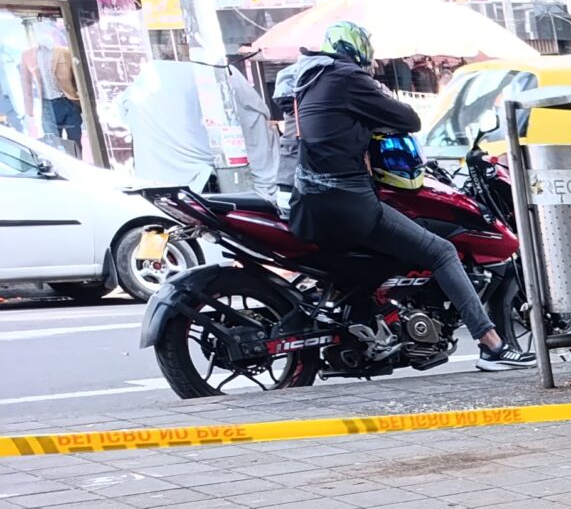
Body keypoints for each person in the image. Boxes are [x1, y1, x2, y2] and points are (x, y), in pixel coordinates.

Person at [288, 20, 530, 372]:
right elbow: (408, 119)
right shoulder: (347, 78)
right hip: (347, 201)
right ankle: (491, 345)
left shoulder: (309, 79)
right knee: (441, 251)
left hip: (310, 202)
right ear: (357, 49)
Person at [114, 60, 221, 188]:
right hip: (202, 174)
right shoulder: (205, 76)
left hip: (154, 180)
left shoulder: (143, 88)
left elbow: (123, 113)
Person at [223, 55, 286, 199]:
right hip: (252, 137)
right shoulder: (234, 88)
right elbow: (258, 107)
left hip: (252, 136)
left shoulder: (230, 91)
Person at [24, 19, 84, 157]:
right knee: (53, 144)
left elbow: (78, 78)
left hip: (67, 101)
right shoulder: (30, 55)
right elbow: (26, 84)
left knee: (74, 141)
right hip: (47, 105)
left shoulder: (65, 52)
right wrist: (29, 112)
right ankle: (61, 171)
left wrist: (82, 104)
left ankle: (78, 169)